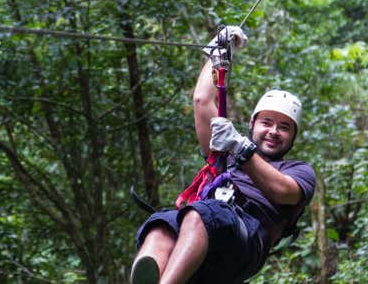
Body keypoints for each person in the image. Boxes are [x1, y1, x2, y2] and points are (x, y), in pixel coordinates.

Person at [130, 26, 316, 284]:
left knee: (201, 215)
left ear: (292, 137)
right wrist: (217, 52)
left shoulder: (298, 170)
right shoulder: (225, 151)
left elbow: (282, 191)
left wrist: (241, 149)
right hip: (207, 234)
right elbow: (202, 102)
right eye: (267, 123)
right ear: (252, 125)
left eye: (284, 127)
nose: (274, 131)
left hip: (246, 241)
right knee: (161, 225)